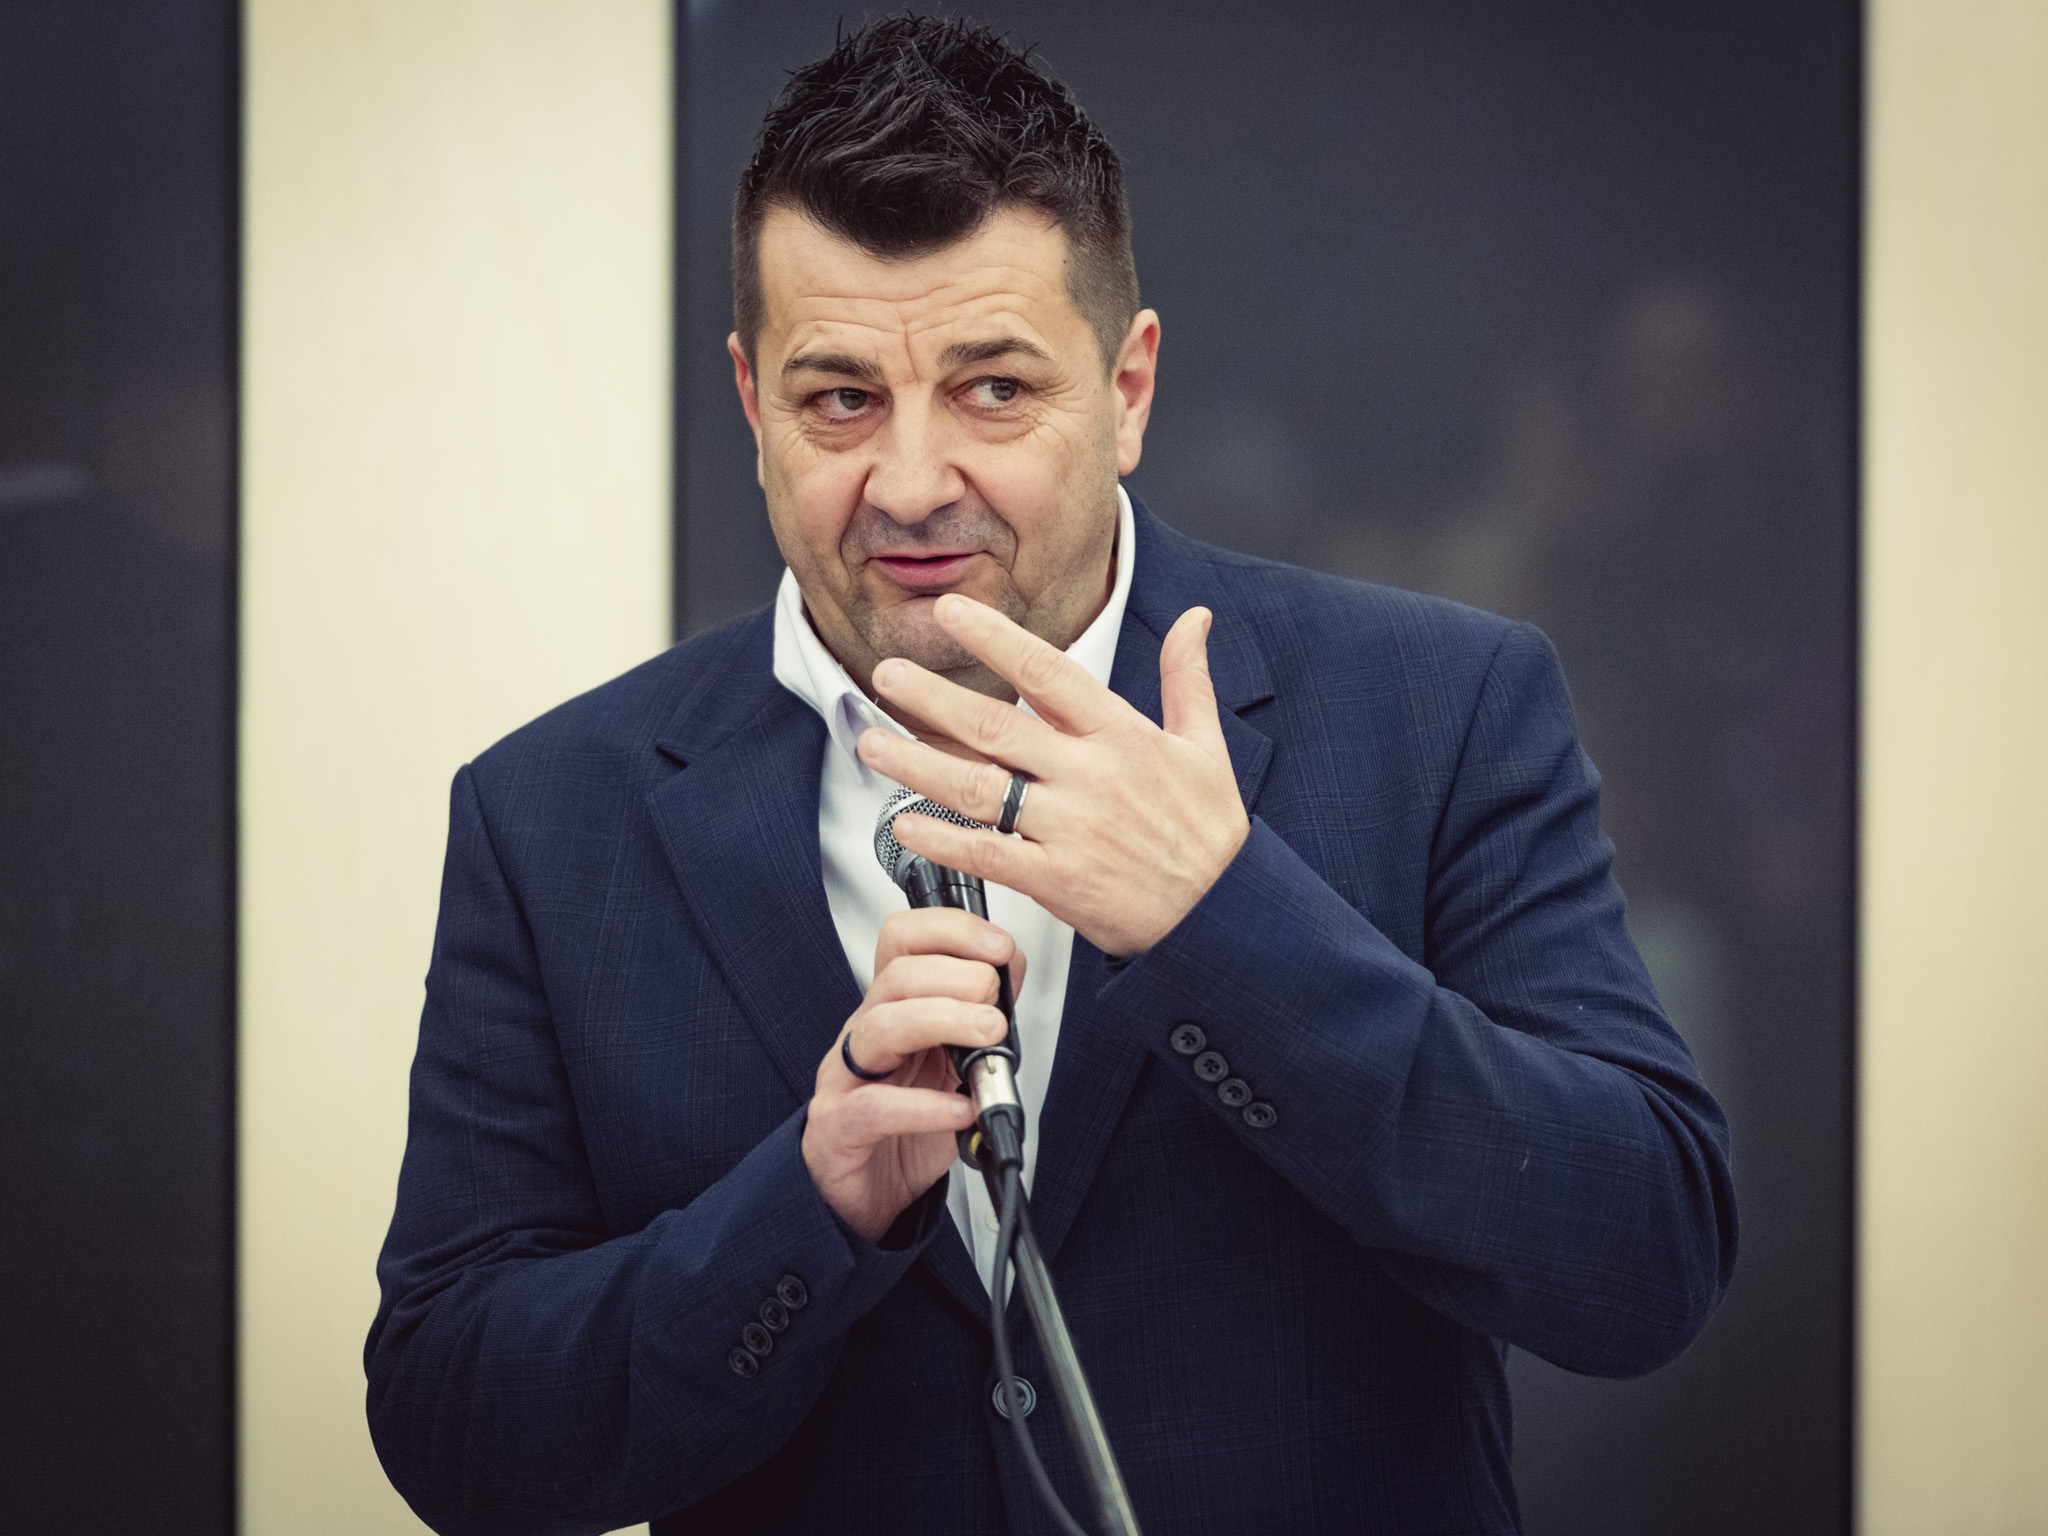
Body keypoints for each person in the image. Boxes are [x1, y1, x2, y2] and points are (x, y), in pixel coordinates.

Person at [366, 17, 1735, 1534]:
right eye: (840, 399)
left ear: (1128, 390)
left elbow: (1643, 1262)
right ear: (753, 406)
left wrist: (1226, 925)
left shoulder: (1440, 706)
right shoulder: (553, 815)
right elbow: (452, 1422)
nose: (910, 484)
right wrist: (804, 1207)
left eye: (994, 390)